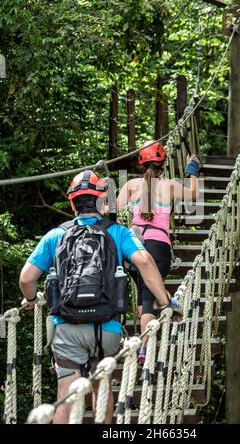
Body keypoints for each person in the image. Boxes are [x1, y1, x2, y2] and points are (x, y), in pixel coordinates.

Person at [19, 170, 175, 424]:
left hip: (65, 326)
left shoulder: (56, 235)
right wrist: (164, 301)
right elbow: (146, 263)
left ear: (72, 203)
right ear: (103, 202)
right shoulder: (118, 232)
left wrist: (32, 299)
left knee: (66, 395)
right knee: (101, 389)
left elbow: (26, 278)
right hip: (108, 327)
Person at [117, 141, 200, 363]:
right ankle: (145, 348)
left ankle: (142, 341)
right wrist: (192, 170)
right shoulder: (170, 185)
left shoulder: (132, 185)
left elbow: (112, 209)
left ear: (141, 163)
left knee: (145, 295)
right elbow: (193, 194)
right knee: (149, 295)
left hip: (133, 246)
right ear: (163, 164)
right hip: (158, 246)